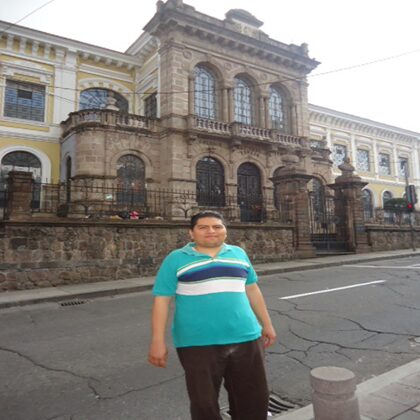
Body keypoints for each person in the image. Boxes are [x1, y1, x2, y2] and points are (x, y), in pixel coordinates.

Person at [148, 210, 277, 420]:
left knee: (253, 399)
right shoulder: (176, 259)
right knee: (204, 404)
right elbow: (162, 300)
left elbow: (252, 289)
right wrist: (157, 341)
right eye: (203, 227)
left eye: (217, 226)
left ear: (225, 231)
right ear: (191, 233)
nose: (211, 231)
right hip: (197, 342)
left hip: (246, 337)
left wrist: (267, 324)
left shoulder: (238, 254)